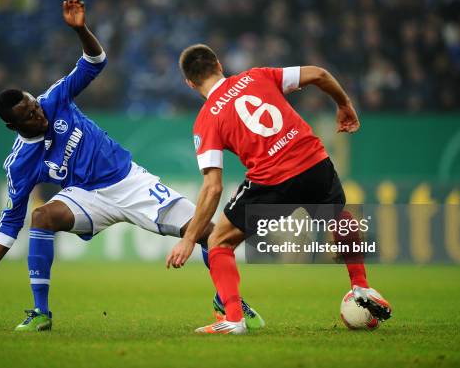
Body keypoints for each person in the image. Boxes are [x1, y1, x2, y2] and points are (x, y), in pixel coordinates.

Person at [0, 0, 263, 332]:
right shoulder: (20, 164)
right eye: (28, 115)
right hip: (85, 197)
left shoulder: (53, 98)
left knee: (207, 232)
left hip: (128, 181)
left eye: (34, 106)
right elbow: (9, 225)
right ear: (13, 126)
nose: (38, 113)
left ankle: (227, 301)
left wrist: (81, 29)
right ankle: (41, 312)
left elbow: (95, 62)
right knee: (41, 216)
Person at [166, 44, 392, 334]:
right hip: (312, 161)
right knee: (337, 216)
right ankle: (361, 286)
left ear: (189, 83)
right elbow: (319, 74)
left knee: (219, 242)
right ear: (219, 64)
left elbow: (212, 187)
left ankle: (234, 318)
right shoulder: (258, 76)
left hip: (271, 179)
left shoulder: (206, 119)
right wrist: (344, 105)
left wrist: (190, 238)